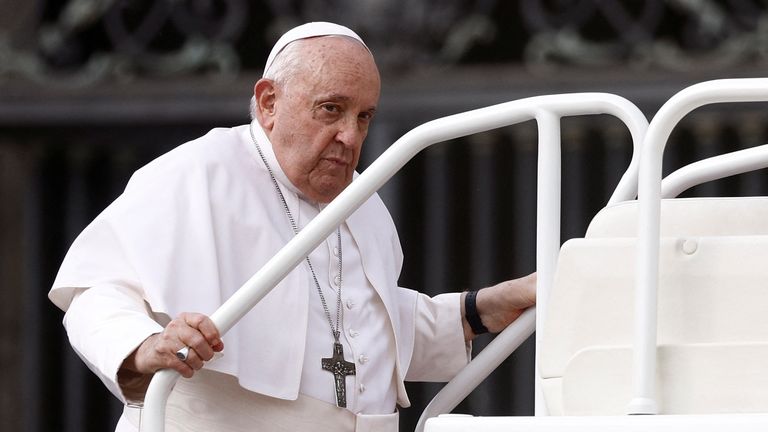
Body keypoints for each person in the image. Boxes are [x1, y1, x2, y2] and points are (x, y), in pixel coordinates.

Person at [49, 22, 536, 432]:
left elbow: (354, 327)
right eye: (331, 109)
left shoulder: (363, 200)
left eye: (364, 117)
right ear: (268, 102)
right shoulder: (197, 173)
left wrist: (482, 310)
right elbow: (96, 289)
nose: (350, 135)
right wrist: (144, 346)